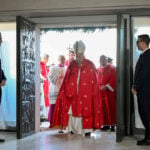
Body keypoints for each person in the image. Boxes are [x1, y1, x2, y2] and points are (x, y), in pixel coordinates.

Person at [52, 40, 100, 136]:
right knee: (72, 110)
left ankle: (87, 130)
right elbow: (67, 80)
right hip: (72, 93)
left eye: (80, 56)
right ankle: (73, 129)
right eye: (77, 56)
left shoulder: (90, 65)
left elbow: (94, 81)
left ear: (83, 55)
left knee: (86, 110)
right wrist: (67, 91)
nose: (79, 59)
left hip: (87, 94)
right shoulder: (72, 64)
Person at [131, 34, 150, 146]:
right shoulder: (144, 55)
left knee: (146, 114)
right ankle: (147, 137)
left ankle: (148, 138)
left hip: (146, 91)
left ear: (143, 42)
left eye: (138, 42)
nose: (137, 44)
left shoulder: (148, 55)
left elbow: (144, 73)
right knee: (144, 114)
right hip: (143, 90)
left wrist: (135, 86)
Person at [97, 55, 116, 131]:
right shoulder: (98, 69)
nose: (102, 61)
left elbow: (114, 79)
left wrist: (107, 86)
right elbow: (96, 79)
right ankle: (105, 124)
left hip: (109, 92)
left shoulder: (112, 68)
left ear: (106, 60)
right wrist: (99, 87)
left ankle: (113, 125)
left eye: (103, 59)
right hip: (101, 92)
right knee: (102, 108)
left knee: (111, 108)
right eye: (100, 60)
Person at [48, 55, 66, 129]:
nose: (63, 61)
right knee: (53, 106)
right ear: (58, 59)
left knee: (62, 106)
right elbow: (50, 77)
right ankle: (52, 123)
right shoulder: (53, 68)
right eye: (62, 59)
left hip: (63, 89)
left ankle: (61, 123)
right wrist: (59, 76)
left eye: (64, 59)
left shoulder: (66, 69)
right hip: (55, 88)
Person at [40, 54, 50, 120]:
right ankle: (42, 115)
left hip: (47, 84)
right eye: (47, 59)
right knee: (43, 99)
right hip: (42, 84)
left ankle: (46, 115)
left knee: (47, 99)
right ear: (44, 58)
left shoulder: (46, 65)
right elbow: (40, 73)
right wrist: (43, 78)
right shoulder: (40, 64)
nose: (47, 61)